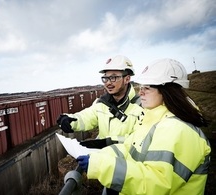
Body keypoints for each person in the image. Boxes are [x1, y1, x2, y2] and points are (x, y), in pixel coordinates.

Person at [76, 58, 211, 194]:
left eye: (147, 88)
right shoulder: (151, 119)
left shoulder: (177, 129)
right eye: (141, 87)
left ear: (167, 91)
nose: (140, 92)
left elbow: (156, 184)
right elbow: (129, 148)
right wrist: (98, 155)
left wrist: (101, 166)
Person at [57, 55, 143, 148]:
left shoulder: (141, 106)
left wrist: (107, 143)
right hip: (102, 159)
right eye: (106, 78)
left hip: (126, 161)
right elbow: (87, 117)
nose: (108, 83)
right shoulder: (102, 103)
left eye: (113, 77)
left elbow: (140, 141)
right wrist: (69, 120)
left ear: (127, 79)